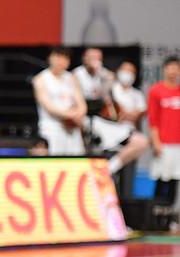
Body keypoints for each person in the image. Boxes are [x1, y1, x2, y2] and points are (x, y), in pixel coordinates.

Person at [73, 48, 149, 174]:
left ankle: (108, 169)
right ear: (84, 58)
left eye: (97, 58)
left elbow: (135, 112)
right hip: (91, 122)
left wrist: (100, 73)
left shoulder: (106, 75)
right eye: (91, 57)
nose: (94, 61)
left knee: (141, 142)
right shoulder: (77, 75)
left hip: (114, 126)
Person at [32, 47, 87, 155]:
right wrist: (70, 115)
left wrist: (79, 114)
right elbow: (48, 106)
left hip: (72, 128)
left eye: (65, 57)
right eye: (58, 56)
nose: (61, 61)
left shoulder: (72, 78)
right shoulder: (41, 79)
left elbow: (81, 103)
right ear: (50, 57)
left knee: (77, 160)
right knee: (54, 161)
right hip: (52, 128)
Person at [148, 56, 180, 211]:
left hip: (178, 144)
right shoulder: (156, 90)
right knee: (161, 179)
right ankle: (155, 214)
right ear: (164, 69)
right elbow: (153, 119)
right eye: (170, 67)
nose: (173, 71)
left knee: (175, 179)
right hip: (163, 143)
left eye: (176, 68)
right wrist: (156, 142)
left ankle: (170, 215)